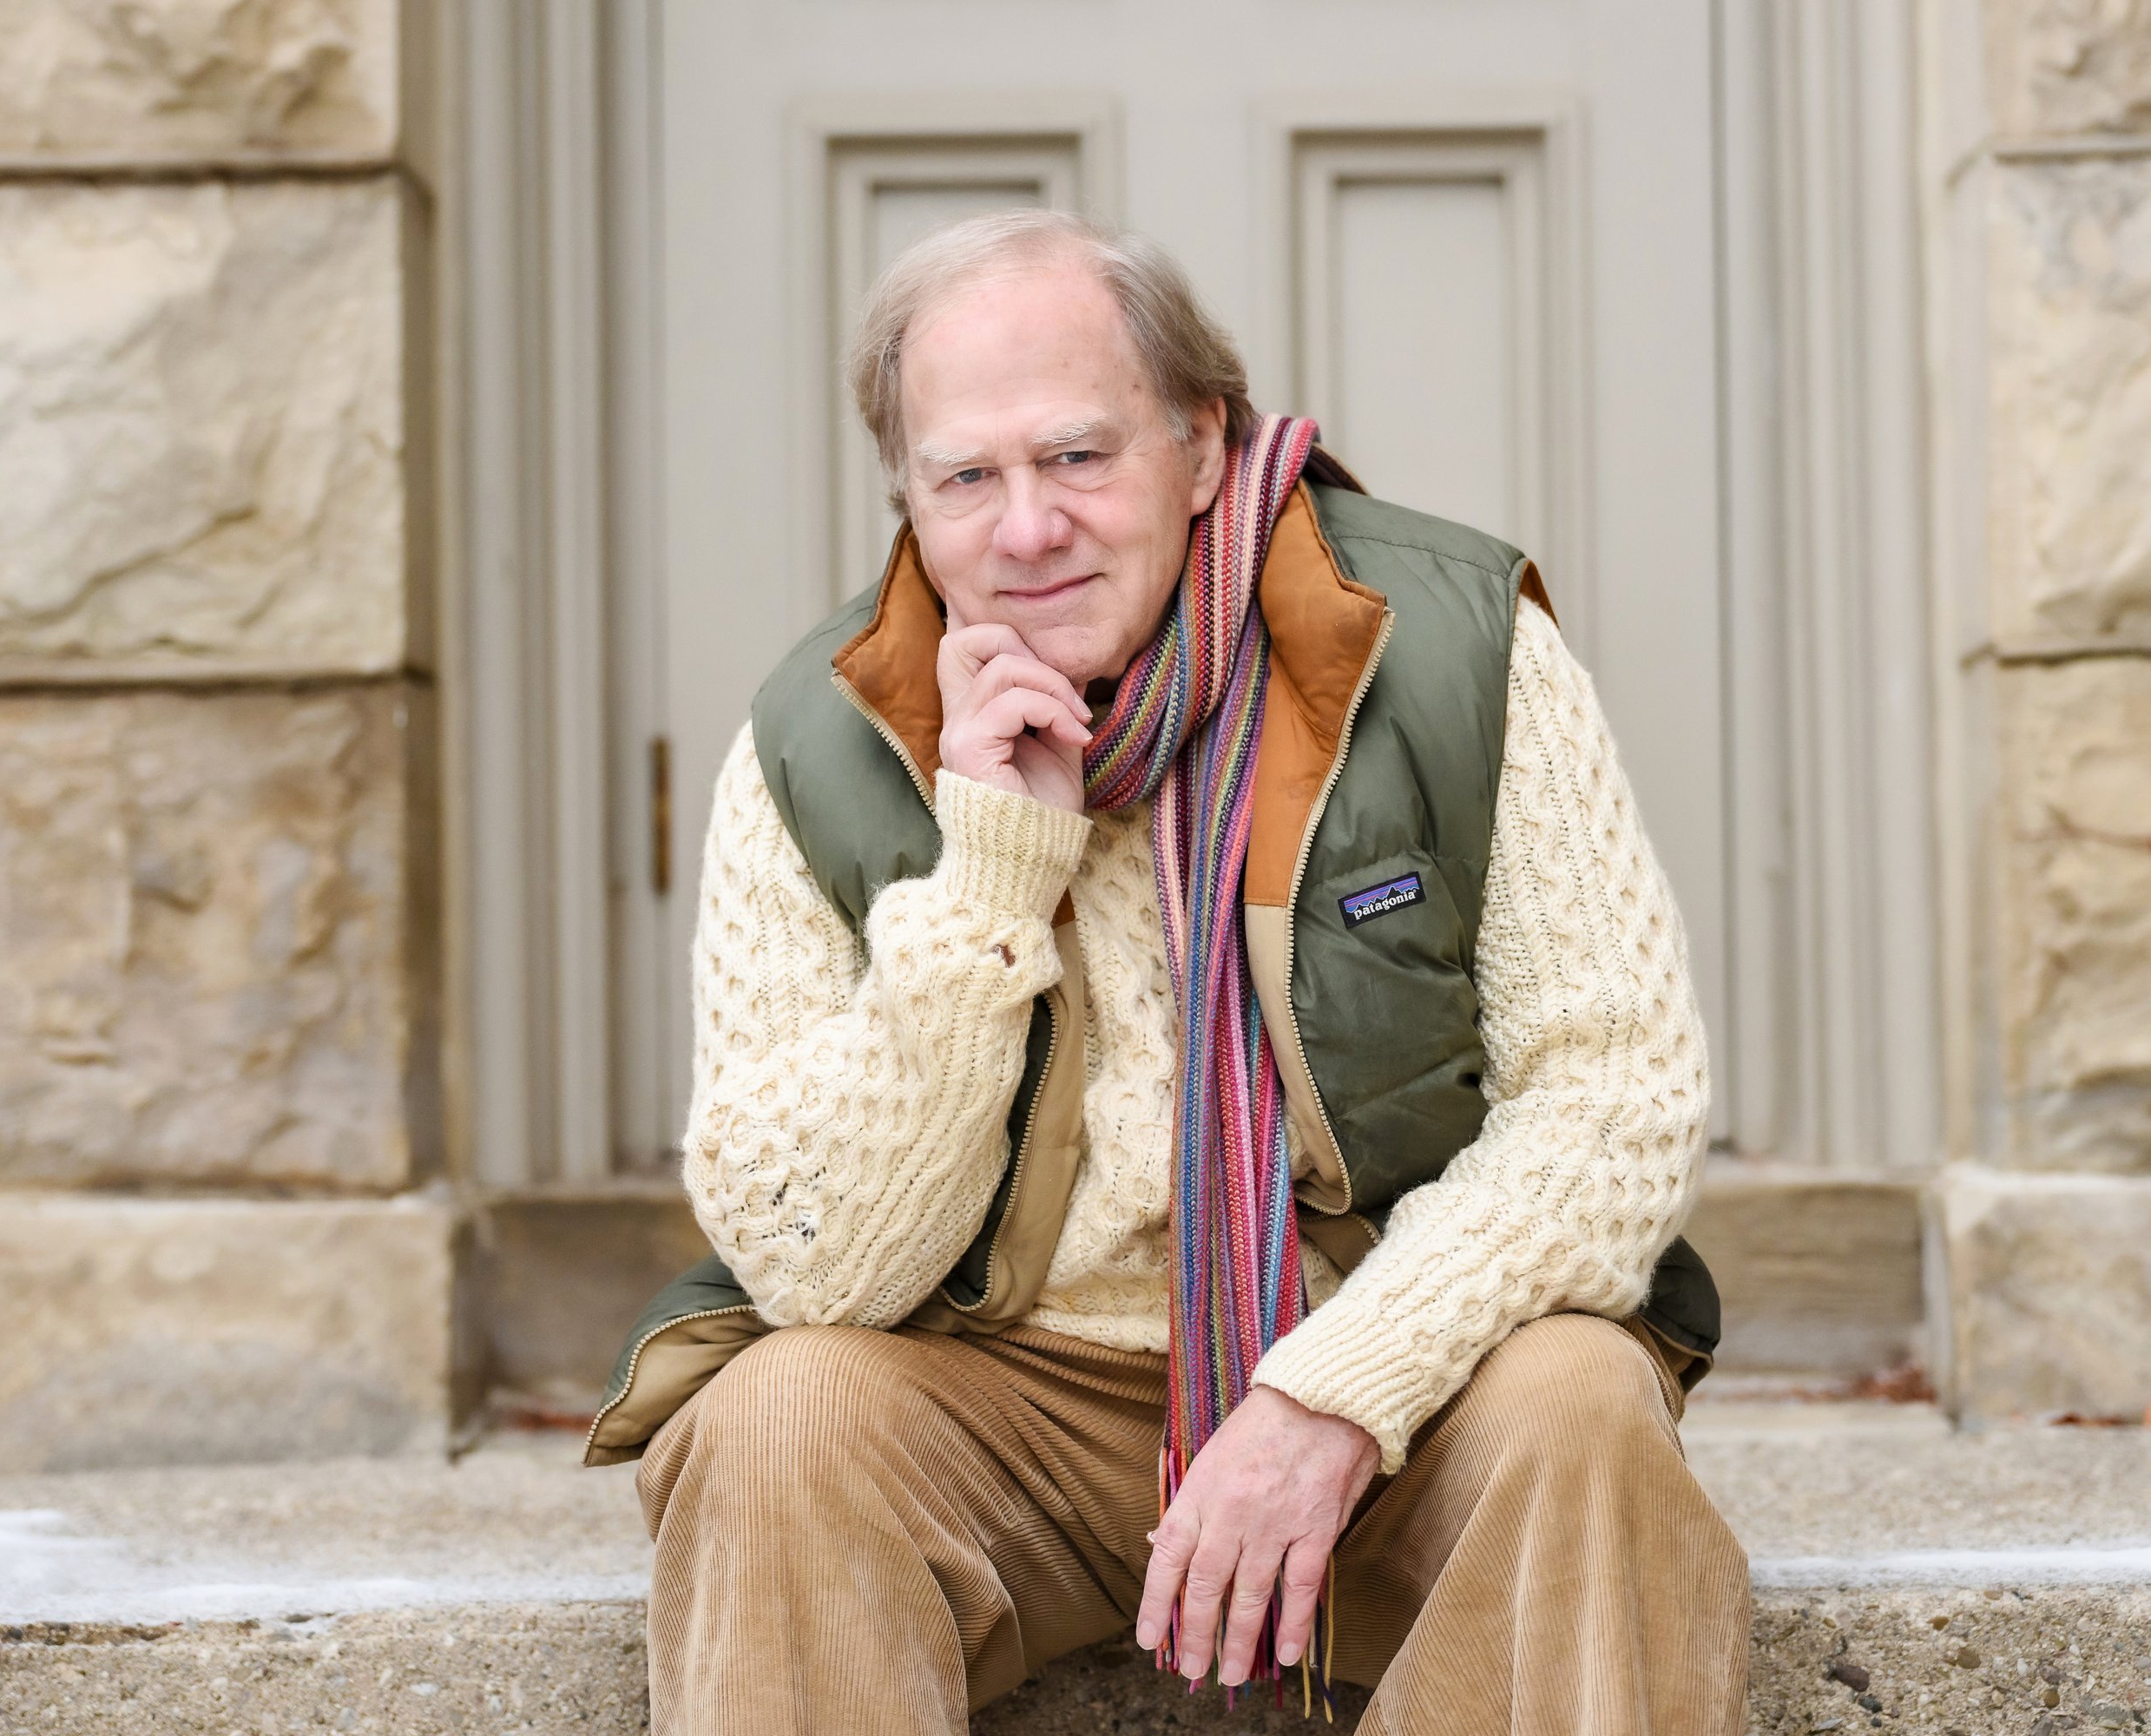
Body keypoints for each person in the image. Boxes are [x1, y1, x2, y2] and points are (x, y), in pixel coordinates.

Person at [586, 208, 1748, 1735]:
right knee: (777, 1419)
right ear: (908, 500)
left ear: (1202, 447)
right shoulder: (819, 741)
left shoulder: (1446, 647)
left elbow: (1614, 1098)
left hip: (1397, 1380)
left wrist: (1336, 1388)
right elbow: (817, 1269)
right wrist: (994, 876)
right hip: (1011, 1402)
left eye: (1077, 457)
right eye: (966, 478)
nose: (1025, 530)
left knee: (1583, 1410)